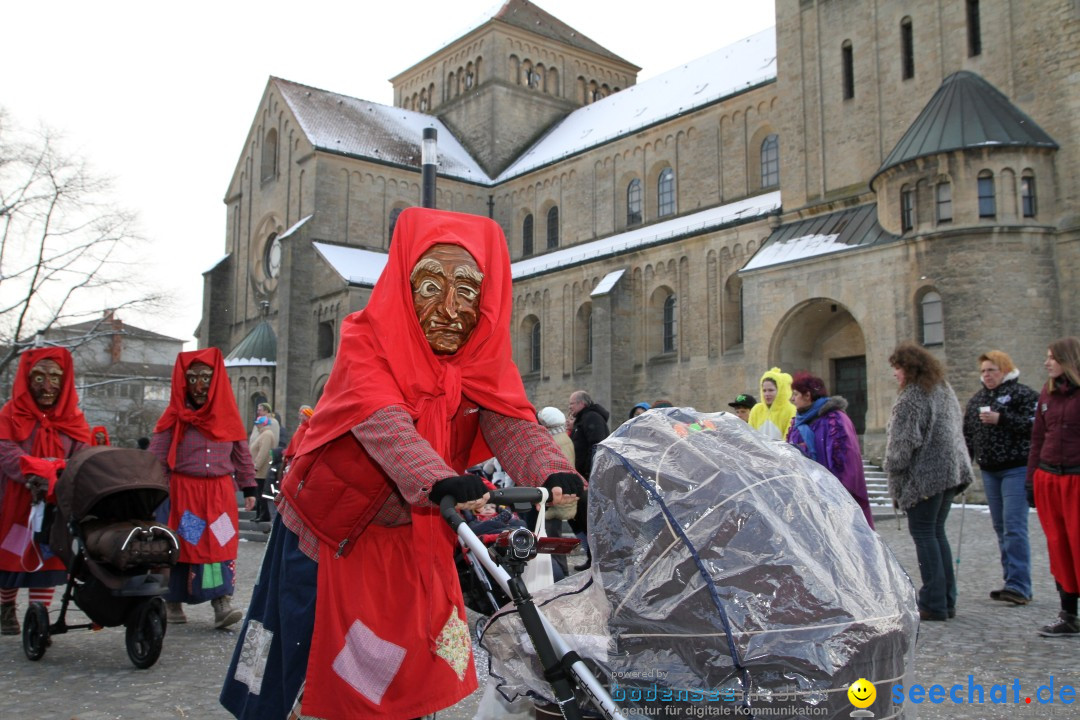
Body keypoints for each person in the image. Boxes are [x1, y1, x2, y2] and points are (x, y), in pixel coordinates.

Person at [220, 207, 583, 720]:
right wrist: (437, 477)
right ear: (404, 288)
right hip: (334, 531)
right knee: (297, 653)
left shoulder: (479, 356)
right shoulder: (366, 340)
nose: (451, 309)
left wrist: (551, 471)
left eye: (468, 290)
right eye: (431, 287)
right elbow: (384, 423)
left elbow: (510, 419)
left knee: (396, 658)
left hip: (411, 533)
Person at [149, 348, 257, 629]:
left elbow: (241, 454)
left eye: (206, 378)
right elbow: (157, 459)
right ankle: (172, 600)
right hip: (186, 494)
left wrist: (249, 488)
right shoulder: (173, 417)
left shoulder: (227, 416)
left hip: (220, 495)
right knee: (186, 545)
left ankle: (221, 601)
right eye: (192, 377)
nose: (199, 385)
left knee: (220, 545)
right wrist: (156, 492)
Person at [0, 348, 91, 636]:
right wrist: (33, 471)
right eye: (39, 377)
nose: (47, 386)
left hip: (55, 501)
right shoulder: (10, 413)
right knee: (10, 556)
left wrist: (64, 472)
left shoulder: (74, 417)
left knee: (50, 555)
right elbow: (5, 450)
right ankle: (6, 608)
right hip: (18, 500)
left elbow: (83, 453)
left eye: (55, 377)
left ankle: (37, 616)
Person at [885, 342, 974, 622]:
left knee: (925, 536)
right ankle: (946, 599)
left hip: (924, 478)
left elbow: (901, 446)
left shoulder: (913, 396)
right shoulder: (942, 389)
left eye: (897, 368)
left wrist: (895, 479)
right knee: (936, 535)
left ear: (909, 368)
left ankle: (933, 602)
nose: (895, 374)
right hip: (948, 474)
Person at [962, 350, 1039, 606]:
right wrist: (965, 464)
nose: (987, 375)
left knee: (1014, 525)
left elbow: (1036, 426)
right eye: (983, 371)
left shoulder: (1023, 394)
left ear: (1004, 370)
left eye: (991, 370)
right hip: (989, 470)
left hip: (1016, 468)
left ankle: (1019, 585)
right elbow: (968, 435)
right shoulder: (977, 400)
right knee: (1000, 527)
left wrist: (1002, 419)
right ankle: (1011, 580)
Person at [1027, 336, 1080, 637]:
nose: (1047, 363)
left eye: (1052, 357)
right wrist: (1031, 479)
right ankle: (1068, 613)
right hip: (1049, 478)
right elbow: (1038, 439)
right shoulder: (1046, 396)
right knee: (1058, 545)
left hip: (1076, 478)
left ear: (1067, 359)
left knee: (1078, 543)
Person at [786, 373, 874, 529]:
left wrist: (836, 496)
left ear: (808, 395)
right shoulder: (798, 422)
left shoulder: (835, 420)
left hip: (833, 498)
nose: (792, 399)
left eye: (795, 394)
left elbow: (848, 461)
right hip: (808, 497)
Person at [568, 389, 609, 572]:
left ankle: (596, 558)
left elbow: (597, 445)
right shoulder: (583, 420)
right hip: (582, 477)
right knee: (581, 518)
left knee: (588, 518)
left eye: (572, 404)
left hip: (589, 478)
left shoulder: (591, 417)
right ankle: (591, 556)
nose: (570, 407)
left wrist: (590, 472)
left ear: (582, 403)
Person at [748, 367, 797, 441]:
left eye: (771, 390)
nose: (767, 394)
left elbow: (789, 439)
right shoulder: (756, 409)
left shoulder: (790, 410)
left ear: (780, 391)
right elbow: (750, 436)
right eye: (764, 390)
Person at [249, 416, 276, 523]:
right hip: (259, 470)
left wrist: (256, 466)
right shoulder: (263, 434)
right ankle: (259, 514)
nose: (257, 425)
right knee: (258, 493)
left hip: (262, 471)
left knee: (261, 493)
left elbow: (263, 452)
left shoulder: (267, 435)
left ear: (263, 424)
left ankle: (264, 515)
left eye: (258, 423)